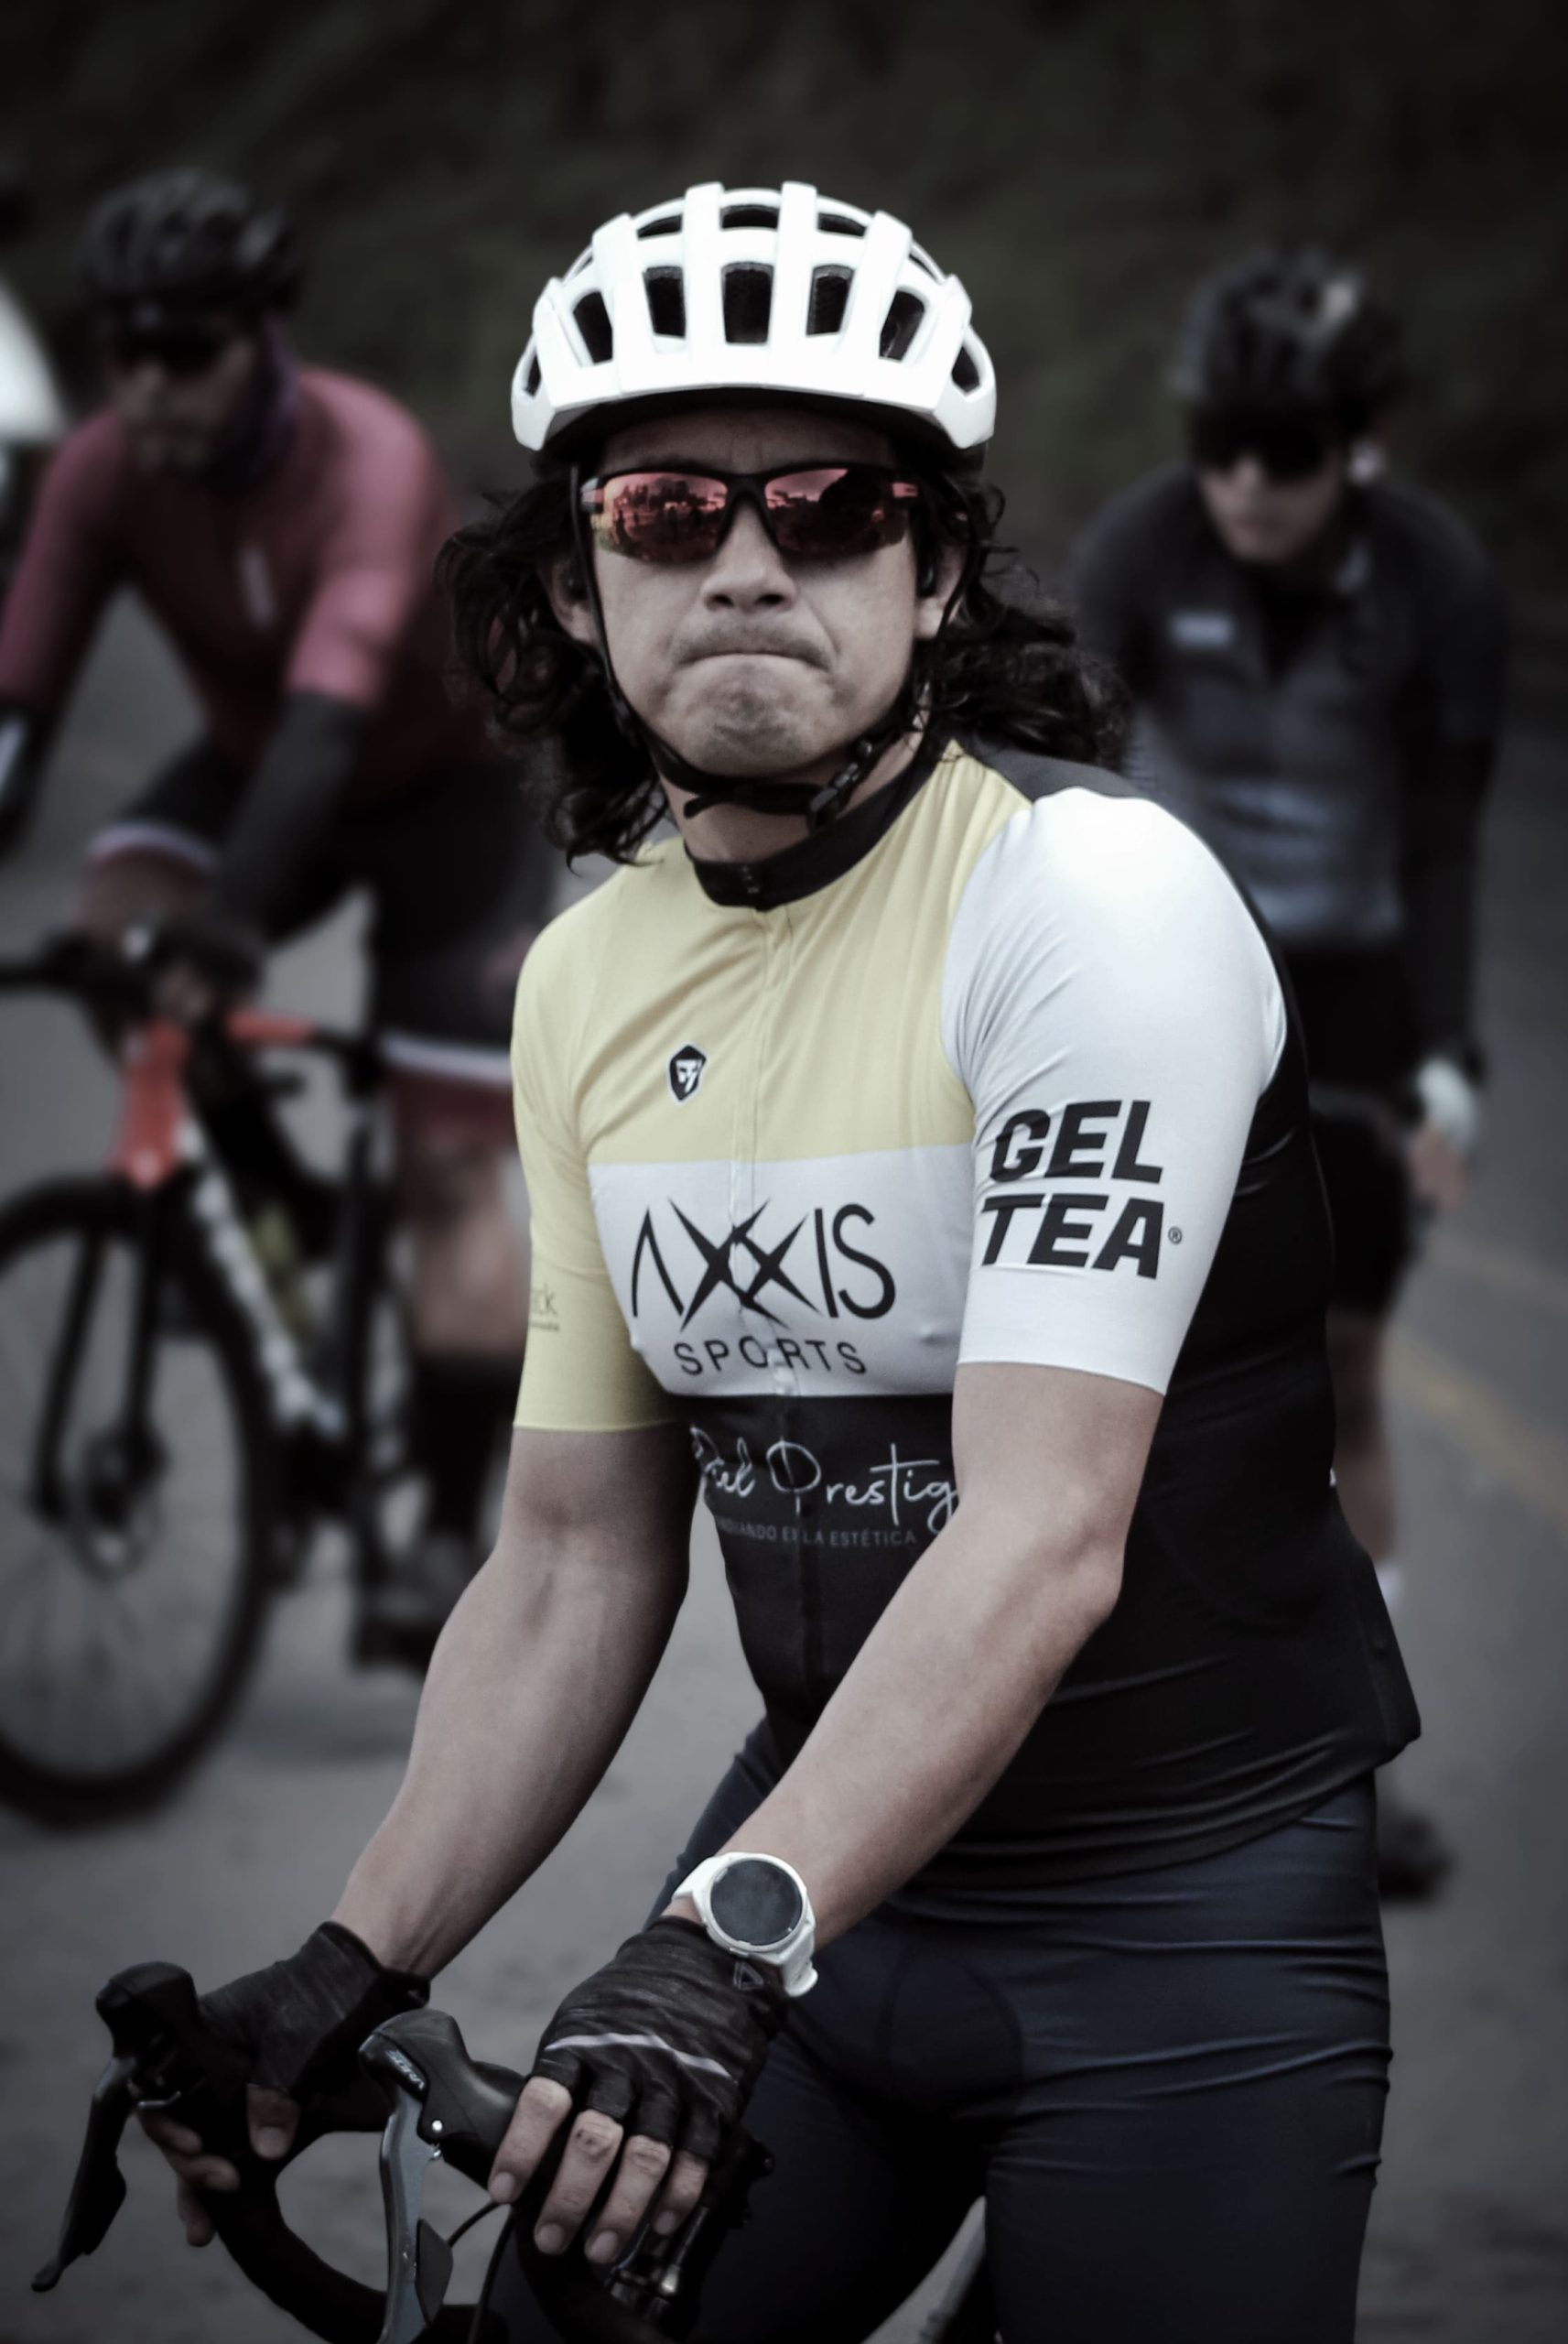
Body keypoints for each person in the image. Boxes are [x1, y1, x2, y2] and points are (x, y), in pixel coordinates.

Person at [140, 184, 1417, 2344]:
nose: (746, 560)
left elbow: (1040, 1532)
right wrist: (354, 1960)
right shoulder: (585, 977)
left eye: (828, 506)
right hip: (833, 1891)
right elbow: (572, 1553)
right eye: (665, 506)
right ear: (577, 582)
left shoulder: (1085, 901)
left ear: (933, 571)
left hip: (1174, 1923)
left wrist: (719, 1941)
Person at [0, 168, 550, 1652]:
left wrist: (233, 928)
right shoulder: (103, 472)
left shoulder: (364, 459)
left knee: (446, 1169)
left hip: (444, 791)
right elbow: (19, 698)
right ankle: (279, 1220)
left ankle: (440, 1533)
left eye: (185, 348)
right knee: (118, 930)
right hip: (261, 768)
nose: (147, 382)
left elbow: (331, 710)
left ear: (262, 339)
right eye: (122, 349)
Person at [1069, 247, 1508, 1898]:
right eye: (1219, 442)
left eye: (1286, 449)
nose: (1245, 482)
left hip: (1357, 988)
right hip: (1171, 955)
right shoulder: (1140, 548)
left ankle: (1350, 1764)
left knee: (1338, 1372)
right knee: (1121, 1356)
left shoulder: (1435, 585)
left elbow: (1446, 841)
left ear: (1358, 442)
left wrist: (1446, 1053)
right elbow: (1056, 778)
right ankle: (1124, 1728)